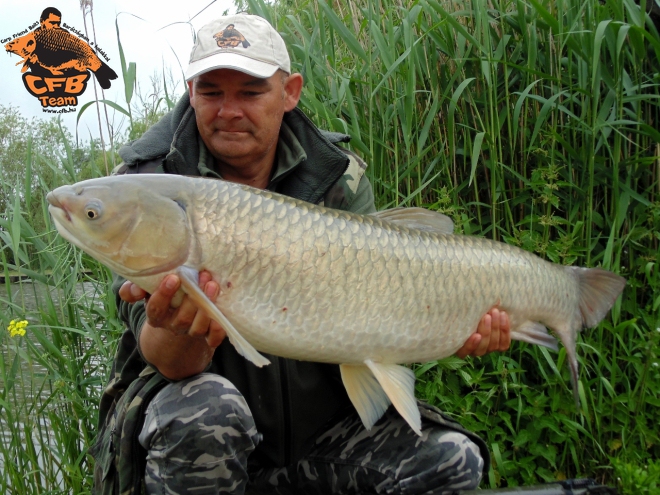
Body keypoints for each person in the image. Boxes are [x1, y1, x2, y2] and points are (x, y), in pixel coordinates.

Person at [90, 13, 511, 495]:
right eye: (210, 93)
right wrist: (183, 328)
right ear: (190, 91)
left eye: (249, 92)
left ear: (289, 92)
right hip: (196, 429)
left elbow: (376, 312)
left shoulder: (339, 176)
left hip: (321, 430)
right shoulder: (140, 190)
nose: (228, 110)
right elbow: (169, 361)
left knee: (452, 460)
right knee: (206, 409)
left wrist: (448, 325)